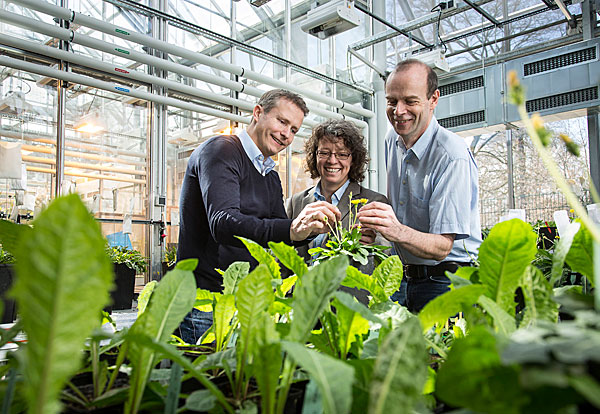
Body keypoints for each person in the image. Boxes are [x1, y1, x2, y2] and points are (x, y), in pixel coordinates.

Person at [177, 89, 340, 343]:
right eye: (282, 121)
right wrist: (291, 229)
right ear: (257, 113)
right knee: (206, 379)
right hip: (206, 302)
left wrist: (309, 230)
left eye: (294, 129)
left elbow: (277, 233)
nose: (286, 134)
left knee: (242, 381)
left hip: (246, 302)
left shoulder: (270, 175)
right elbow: (222, 222)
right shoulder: (221, 151)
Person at [358, 59, 482, 313]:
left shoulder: (451, 156)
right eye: (392, 101)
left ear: (433, 99)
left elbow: (441, 247)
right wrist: (378, 231)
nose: (398, 111)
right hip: (405, 277)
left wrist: (394, 229)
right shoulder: (392, 138)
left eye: (410, 101)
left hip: (448, 281)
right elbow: (404, 221)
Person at [286, 119, 390, 304]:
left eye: (342, 154)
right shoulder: (296, 202)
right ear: (314, 156)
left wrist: (372, 246)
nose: (332, 160)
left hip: (347, 308)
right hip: (300, 308)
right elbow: (280, 254)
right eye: (324, 153)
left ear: (354, 159)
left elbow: (385, 263)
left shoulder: (374, 202)